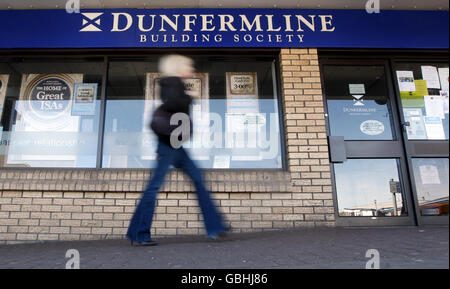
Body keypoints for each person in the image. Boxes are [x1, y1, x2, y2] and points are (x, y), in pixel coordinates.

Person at [126, 55, 228, 246]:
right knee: (155, 187)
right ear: (179, 68)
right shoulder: (174, 83)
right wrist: (189, 99)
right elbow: (172, 104)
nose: (191, 69)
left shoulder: (173, 84)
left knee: (194, 179)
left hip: (173, 143)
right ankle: (139, 234)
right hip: (169, 143)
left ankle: (215, 226)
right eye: (188, 66)